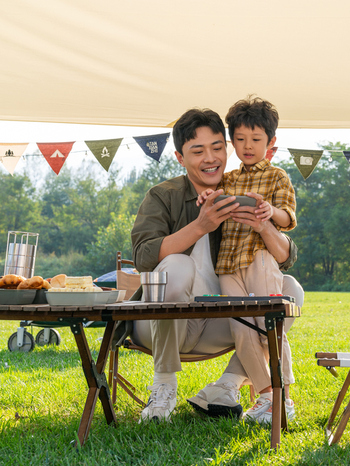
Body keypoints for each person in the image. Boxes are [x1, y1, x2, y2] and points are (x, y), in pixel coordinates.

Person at [130, 108, 300, 423]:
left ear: (227, 148)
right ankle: (164, 385)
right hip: (158, 322)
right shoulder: (163, 196)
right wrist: (200, 225)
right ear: (181, 158)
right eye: (198, 151)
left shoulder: (237, 192)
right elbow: (144, 256)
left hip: (217, 320)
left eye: (217, 147)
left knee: (291, 293)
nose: (210, 158)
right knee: (178, 266)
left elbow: (286, 256)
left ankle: (226, 386)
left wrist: (264, 225)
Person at [196, 96, 297, 423]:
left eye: (255, 140)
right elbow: (213, 199)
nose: (247, 146)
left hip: (259, 258)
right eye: (240, 140)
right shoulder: (228, 178)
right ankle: (268, 397)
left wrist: (271, 212)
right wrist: (206, 197)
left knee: (267, 324)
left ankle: (283, 397)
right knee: (241, 328)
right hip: (228, 264)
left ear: (271, 142)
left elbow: (288, 217)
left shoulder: (278, 177)